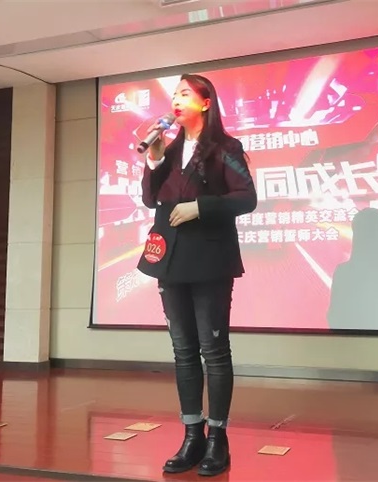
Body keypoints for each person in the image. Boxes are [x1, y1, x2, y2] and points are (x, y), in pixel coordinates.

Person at [137, 74, 258, 476]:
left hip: (209, 259)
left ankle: (218, 439)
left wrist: (200, 207)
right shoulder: (169, 149)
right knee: (183, 350)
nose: (176, 99)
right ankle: (193, 435)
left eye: (185, 93)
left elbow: (247, 197)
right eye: (174, 94)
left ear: (206, 103)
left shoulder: (226, 147)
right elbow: (150, 198)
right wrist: (154, 159)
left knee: (214, 350)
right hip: (170, 258)